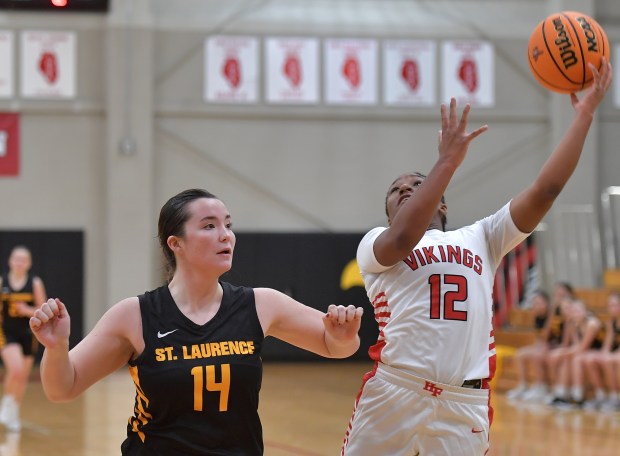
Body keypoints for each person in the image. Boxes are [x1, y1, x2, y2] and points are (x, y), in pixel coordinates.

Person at [340, 57, 612, 456]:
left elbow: (546, 189)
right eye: (397, 190)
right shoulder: (377, 243)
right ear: (387, 211)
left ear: (443, 206)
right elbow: (403, 237)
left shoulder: (483, 236)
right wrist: (445, 162)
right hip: (395, 391)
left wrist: (585, 116)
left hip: (463, 402)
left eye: (417, 183)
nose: (406, 188)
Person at [29, 188, 364, 455]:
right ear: (176, 244)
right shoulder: (134, 315)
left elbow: (335, 347)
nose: (226, 235)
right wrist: (56, 347)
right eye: (209, 226)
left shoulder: (260, 304)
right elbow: (63, 388)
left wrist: (342, 335)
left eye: (228, 225)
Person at [0, 245, 47, 432]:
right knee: (16, 369)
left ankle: (13, 413)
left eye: (23, 259)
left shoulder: (34, 283)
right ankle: (7, 402)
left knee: (22, 377)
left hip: (28, 333)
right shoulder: (2, 281)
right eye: (16, 259)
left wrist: (26, 310)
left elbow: (43, 309)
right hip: (6, 332)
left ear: (29, 263)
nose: (19, 262)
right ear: (10, 261)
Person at [547, 299, 602, 409]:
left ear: (585, 311)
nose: (575, 313)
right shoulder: (574, 323)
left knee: (574, 358)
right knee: (568, 359)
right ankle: (562, 393)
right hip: (587, 352)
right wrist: (564, 352)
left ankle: (578, 397)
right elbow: (576, 345)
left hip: (598, 352)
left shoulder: (592, 323)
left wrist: (561, 353)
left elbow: (582, 347)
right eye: (573, 311)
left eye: (578, 310)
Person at [505, 290, 552, 400]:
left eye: (539, 303)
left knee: (537, 355)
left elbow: (547, 336)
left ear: (547, 303)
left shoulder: (551, 316)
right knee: (520, 354)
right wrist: (537, 347)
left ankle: (540, 387)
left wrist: (540, 348)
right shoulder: (537, 317)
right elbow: (539, 338)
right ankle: (523, 386)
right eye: (534, 303)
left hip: (553, 346)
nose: (536, 306)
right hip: (544, 346)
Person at [581, 291, 620, 411]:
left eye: (614, 305)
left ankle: (615, 398)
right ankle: (600, 395)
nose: (611, 308)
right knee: (590, 359)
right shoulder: (612, 321)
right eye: (609, 305)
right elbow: (607, 345)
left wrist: (609, 356)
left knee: (611, 360)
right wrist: (603, 354)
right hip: (615, 354)